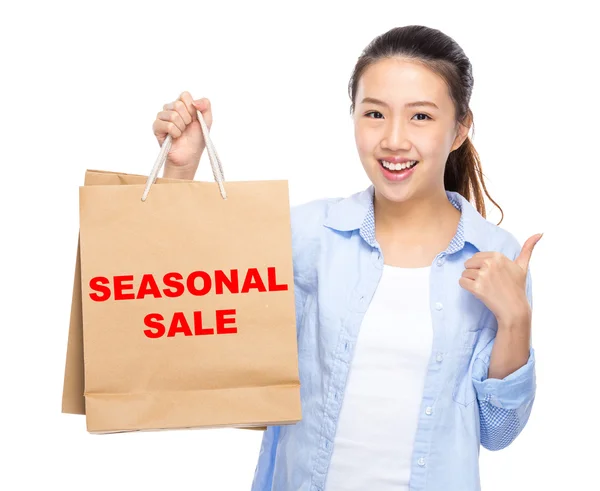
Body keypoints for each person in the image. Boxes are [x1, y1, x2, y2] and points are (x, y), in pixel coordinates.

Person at [152, 24, 541, 491]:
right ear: (353, 116)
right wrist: (180, 168)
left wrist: (516, 319)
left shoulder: (496, 256)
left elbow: (497, 431)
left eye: (420, 117)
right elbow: (177, 296)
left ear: (459, 129)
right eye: (374, 113)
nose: (393, 140)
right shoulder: (308, 235)